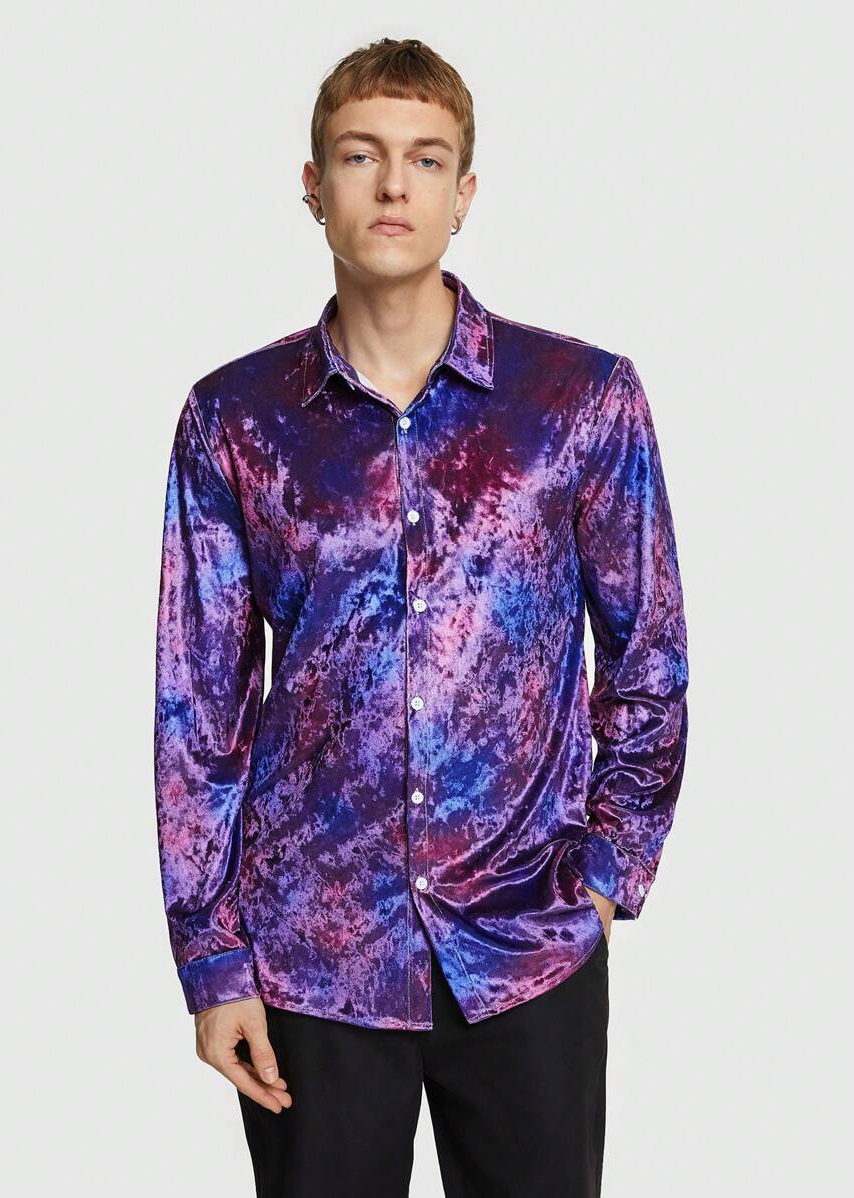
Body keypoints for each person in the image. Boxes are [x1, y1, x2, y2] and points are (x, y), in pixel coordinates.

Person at [153, 36, 689, 1198]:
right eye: (362, 156)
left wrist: (607, 873)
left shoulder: (579, 402)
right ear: (314, 186)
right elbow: (199, 711)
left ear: (464, 194)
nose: (394, 184)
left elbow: (648, 655)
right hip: (312, 961)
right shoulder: (235, 422)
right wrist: (213, 961)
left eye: (425, 158)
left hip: (527, 946)